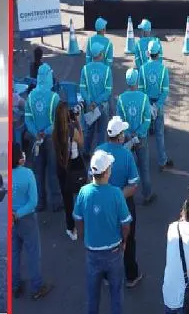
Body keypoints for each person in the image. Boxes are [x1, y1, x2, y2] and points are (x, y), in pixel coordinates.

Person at [73, 149, 132, 314]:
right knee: (116, 294)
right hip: (114, 252)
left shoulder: (83, 193)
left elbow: (78, 219)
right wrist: (124, 241)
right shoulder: (116, 194)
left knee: (92, 297)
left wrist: (84, 238)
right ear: (106, 173)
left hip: (92, 252)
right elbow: (126, 224)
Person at [97, 116, 143, 288]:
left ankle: (107, 275)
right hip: (124, 204)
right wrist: (117, 196)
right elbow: (133, 185)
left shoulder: (98, 151)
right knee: (129, 239)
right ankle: (131, 275)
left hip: (102, 204)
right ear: (120, 136)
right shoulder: (126, 155)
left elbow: (91, 179)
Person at [12, 141, 53, 300]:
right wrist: (19, 213)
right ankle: (37, 286)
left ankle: (15, 286)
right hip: (26, 218)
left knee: (15, 253)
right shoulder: (28, 174)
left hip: (12, 220)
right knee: (33, 252)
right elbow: (33, 202)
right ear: (20, 158)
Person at [24, 63, 63, 212]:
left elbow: (28, 120)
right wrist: (47, 130)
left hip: (36, 140)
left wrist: (36, 132)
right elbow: (59, 120)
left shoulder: (31, 96)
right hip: (51, 139)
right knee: (53, 170)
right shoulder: (55, 97)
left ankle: (40, 202)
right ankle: (56, 202)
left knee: (38, 172)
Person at [116, 68, 155, 205]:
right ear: (137, 81)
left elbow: (119, 120)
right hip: (141, 137)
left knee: (126, 168)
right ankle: (147, 194)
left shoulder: (121, 99)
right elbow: (147, 120)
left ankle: (126, 194)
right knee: (144, 167)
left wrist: (128, 134)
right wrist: (138, 133)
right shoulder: (144, 98)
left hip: (126, 139)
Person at [52, 101, 87, 241]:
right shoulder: (72, 129)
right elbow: (81, 142)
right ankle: (84, 224)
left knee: (67, 199)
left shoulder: (55, 131)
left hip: (61, 166)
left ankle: (71, 228)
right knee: (82, 195)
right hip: (75, 164)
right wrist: (78, 122)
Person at [140, 40, 174, 172]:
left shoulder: (142, 69)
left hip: (146, 105)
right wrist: (157, 105)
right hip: (158, 105)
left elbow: (142, 89)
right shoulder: (163, 69)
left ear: (148, 53)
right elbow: (165, 90)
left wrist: (148, 105)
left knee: (145, 133)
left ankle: (142, 160)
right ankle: (162, 160)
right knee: (159, 135)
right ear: (158, 54)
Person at [80, 42, 113, 157]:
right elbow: (108, 91)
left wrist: (90, 101)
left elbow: (82, 89)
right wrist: (97, 102)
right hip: (102, 106)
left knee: (89, 131)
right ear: (100, 54)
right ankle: (100, 155)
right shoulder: (107, 70)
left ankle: (86, 152)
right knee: (101, 132)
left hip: (89, 107)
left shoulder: (85, 69)